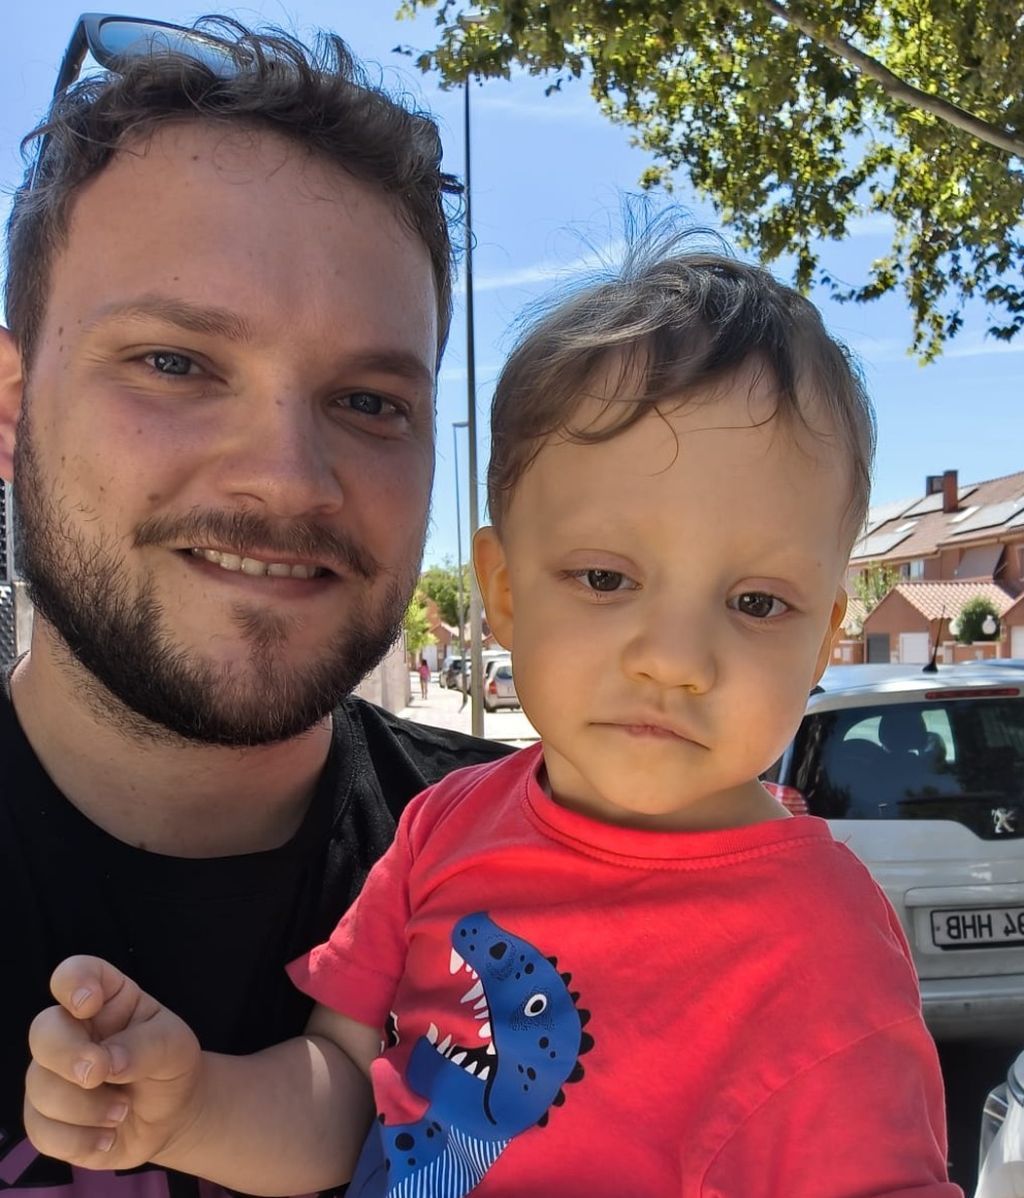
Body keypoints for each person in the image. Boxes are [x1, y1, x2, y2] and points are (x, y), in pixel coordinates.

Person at [24, 243, 962, 1197]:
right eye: (605, 579)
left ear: (823, 637)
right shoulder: (441, 827)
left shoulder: (823, 946)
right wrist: (189, 1111)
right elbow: (349, 1092)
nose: (675, 660)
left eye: (758, 603)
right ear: (504, 590)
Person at [0, 15, 511, 1197]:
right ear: (14, 407)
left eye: (369, 399)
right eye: (175, 362)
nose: (286, 476)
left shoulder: (538, 880)